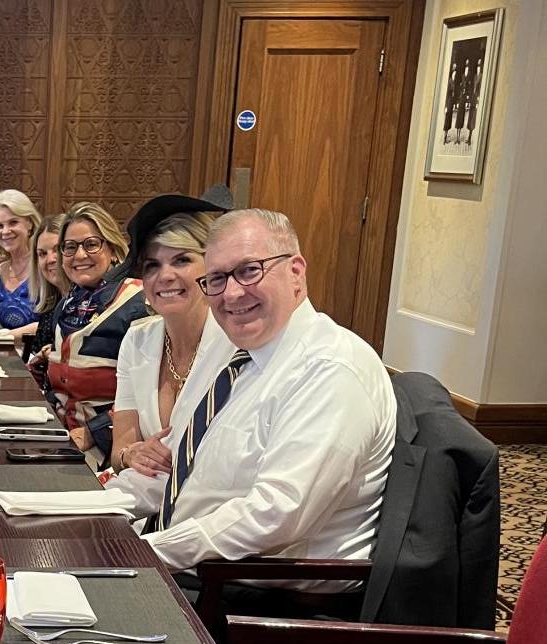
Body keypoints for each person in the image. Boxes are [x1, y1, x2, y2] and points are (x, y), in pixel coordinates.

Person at [107, 207, 397, 577]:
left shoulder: (329, 367)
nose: (231, 293)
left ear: (296, 271)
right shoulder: (240, 360)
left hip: (258, 600)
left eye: (248, 271)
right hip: (191, 568)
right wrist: (79, 513)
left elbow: (276, 514)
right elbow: (173, 471)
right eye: (216, 279)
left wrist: (142, 552)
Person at [107, 194, 233, 479]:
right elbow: (119, 452)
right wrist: (131, 455)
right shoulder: (136, 341)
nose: (165, 275)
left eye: (181, 260)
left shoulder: (236, 348)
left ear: (211, 268)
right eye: (152, 265)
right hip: (140, 502)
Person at [33, 202, 142, 458]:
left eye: (91, 244)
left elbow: (149, 395)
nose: (80, 256)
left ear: (113, 249)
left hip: (108, 449)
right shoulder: (69, 303)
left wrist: (94, 432)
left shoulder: (137, 304)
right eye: (70, 247)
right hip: (60, 435)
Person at [0, 189, 44, 338]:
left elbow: (51, 324)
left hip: (36, 356)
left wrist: (6, 336)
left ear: (29, 223)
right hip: (4, 354)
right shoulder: (0, 271)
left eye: (13, 222)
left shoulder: (45, 265)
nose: (5, 231)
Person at [20, 214, 65, 360]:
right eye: (42, 254)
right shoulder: (52, 305)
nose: (50, 259)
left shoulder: (86, 304)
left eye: (57, 249)